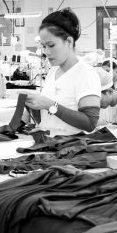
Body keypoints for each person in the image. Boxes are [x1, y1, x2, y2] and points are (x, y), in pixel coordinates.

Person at [23, 9, 101, 137]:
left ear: (69, 41)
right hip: (50, 143)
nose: (46, 52)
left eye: (51, 45)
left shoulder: (85, 73)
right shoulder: (52, 72)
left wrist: (49, 105)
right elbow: (51, 118)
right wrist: (33, 105)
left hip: (71, 146)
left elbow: (89, 123)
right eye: (44, 46)